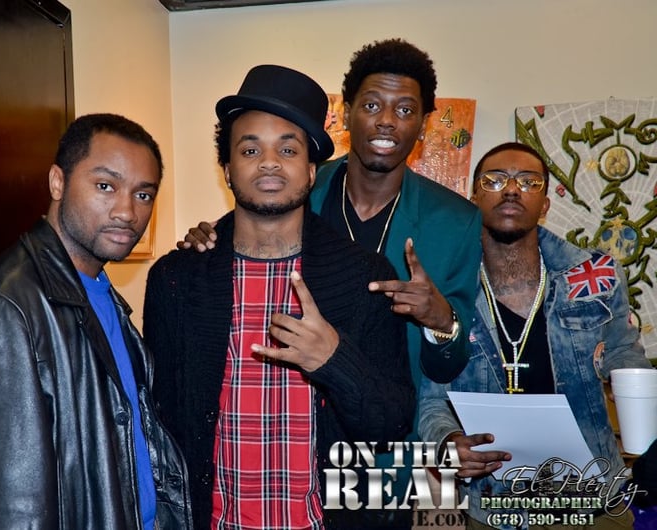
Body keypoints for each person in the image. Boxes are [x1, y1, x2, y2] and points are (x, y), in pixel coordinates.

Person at [176, 39, 483, 528]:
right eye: (372, 105)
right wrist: (205, 241)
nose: (387, 121)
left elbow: (451, 365)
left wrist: (440, 319)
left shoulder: (457, 221)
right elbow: (245, 231)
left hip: (409, 445)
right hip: (300, 440)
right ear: (347, 116)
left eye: (405, 110)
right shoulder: (298, 184)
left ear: (423, 124)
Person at [142, 64, 416, 530]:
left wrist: (334, 360)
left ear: (310, 170)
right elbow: (159, 421)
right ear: (227, 170)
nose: (269, 163)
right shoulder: (178, 279)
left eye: (288, 149)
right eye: (250, 150)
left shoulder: (364, 277)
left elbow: (392, 422)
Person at [0, 113, 193, 530]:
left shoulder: (101, 295)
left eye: (143, 194)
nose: (127, 211)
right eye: (105, 186)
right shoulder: (0, 308)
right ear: (57, 182)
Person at [417, 141, 653, 530]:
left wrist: (628, 379)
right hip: (493, 507)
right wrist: (448, 442)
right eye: (495, 180)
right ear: (474, 198)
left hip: (591, 500)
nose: (512, 190)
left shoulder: (594, 276)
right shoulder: (444, 290)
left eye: (528, 181)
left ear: (545, 204)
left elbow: (624, 352)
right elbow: (430, 398)